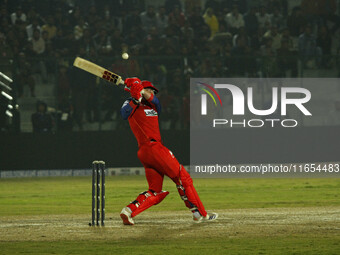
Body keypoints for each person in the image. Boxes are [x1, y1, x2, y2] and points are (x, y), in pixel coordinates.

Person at [119, 78, 218, 225]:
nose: (152, 93)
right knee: (183, 178)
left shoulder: (153, 105)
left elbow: (156, 101)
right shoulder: (131, 103)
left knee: (155, 192)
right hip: (152, 148)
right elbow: (124, 114)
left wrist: (140, 91)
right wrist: (135, 97)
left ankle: (128, 211)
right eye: (150, 90)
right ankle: (200, 214)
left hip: (148, 152)